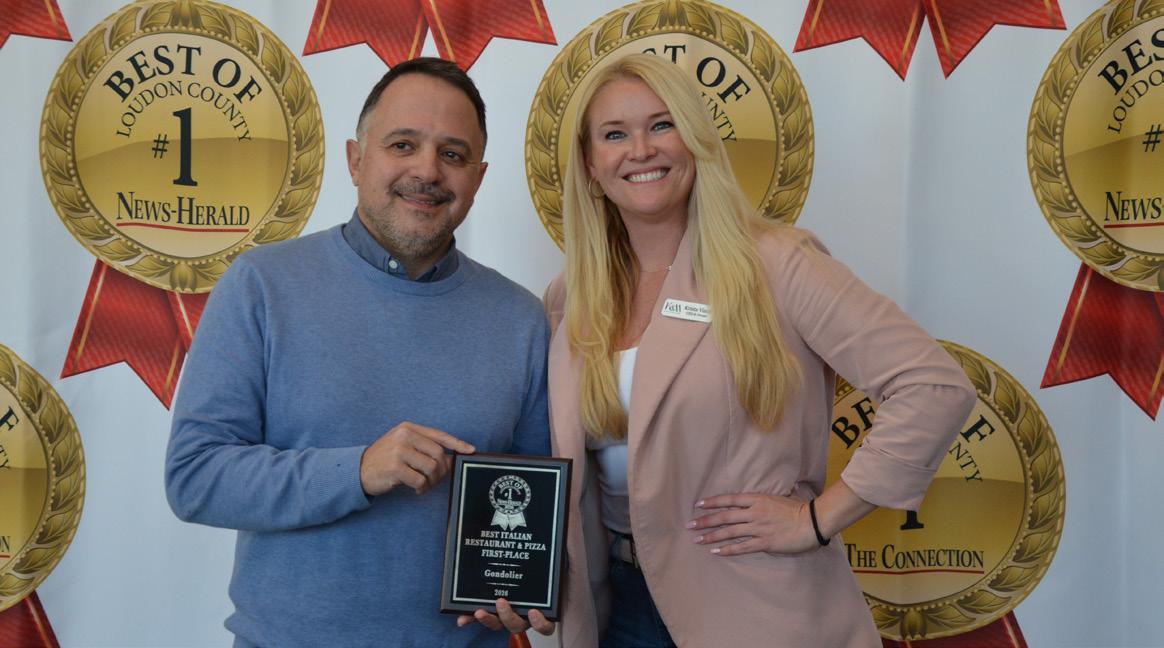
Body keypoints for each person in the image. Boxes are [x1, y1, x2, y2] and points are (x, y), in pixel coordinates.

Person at [543, 53, 978, 647]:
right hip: (623, 607)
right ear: (590, 165)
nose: (640, 150)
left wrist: (817, 520)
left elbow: (932, 386)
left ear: (696, 140)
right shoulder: (571, 298)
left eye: (662, 125)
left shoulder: (779, 263)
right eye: (615, 135)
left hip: (758, 605)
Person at [166, 57, 553, 647]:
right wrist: (358, 470)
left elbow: (533, 508)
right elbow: (196, 478)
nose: (427, 170)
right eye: (403, 145)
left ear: (477, 177)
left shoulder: (521, 318)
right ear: (355, 159)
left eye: (453, 154)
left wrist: (525, 593)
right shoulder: (262, 285)